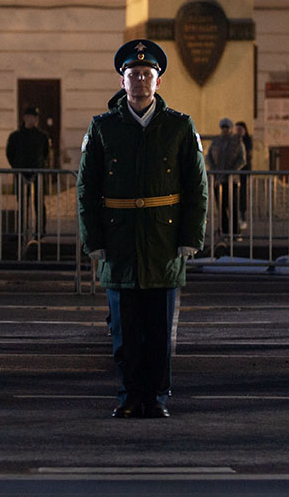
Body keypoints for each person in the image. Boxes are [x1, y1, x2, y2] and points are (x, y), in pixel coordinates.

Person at [78, 39, 208, 418]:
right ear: (122, 82)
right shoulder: (103, 128)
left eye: (146, 75)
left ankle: (157, 396)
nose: (139, 81)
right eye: (132, 75)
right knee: (125, 330)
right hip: (119, 241)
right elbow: (87, 188)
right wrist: (94, 239)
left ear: (158, 82)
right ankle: (130, 394)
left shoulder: (180, 127)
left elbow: (196, 187)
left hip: (163, 241)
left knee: (159, 330)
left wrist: (189, 237)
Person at [6, 106, 52, 241]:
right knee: (22, 203)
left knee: (39, 202)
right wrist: (16, 167)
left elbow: (45, 154)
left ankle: (40, 231)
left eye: (35, 118)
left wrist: (42, 166)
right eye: (31, 117)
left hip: (37, 171)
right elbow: (10, 153)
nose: (33, 120)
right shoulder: (16, 136)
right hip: (21, 171)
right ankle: (22, 229)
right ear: (25, 118)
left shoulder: (42, 136)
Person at [206, 117, 245, 243]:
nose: (225, 130)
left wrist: (233, 170)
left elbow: (242, 159)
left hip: (232, 180)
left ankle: (235, 232)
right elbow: (209, 157)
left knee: (232, 206)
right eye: (223, 128)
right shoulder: (216, 141)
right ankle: (224, 231)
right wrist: (214, 169)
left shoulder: (237, 142)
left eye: (227, 128)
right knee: (221, 207)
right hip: (219, 179)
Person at [233, 121, 253, 228]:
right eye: (236, 130)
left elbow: (247, 157)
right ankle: (235, 218)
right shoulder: (233, 141)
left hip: (243, 171)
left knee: (242, 194)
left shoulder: (247, 142)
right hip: (233, 172)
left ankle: (242, 216)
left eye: (240, 130)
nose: (238, 132)